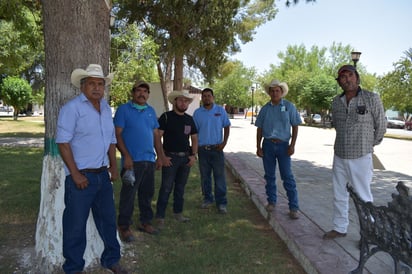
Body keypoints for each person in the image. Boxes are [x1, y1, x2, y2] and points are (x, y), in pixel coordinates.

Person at [56, 64, 128, 273]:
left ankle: (111, 260)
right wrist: (76, 174)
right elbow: (63, 142)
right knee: (75, 226)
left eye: (100, 84)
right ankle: (73, 268)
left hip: (102, 176)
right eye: (92, 84)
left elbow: (111, 139)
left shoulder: (106, 108)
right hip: (81, 179)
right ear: (82, 86)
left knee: (107, 221)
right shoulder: (72, 109)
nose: (96, 88)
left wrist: (114, 166)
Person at [323, 65, 386, 239]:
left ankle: (369, 234)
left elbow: (381, 126)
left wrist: (369, 145)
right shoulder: (336, 101)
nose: (347, 79)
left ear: (357, 78)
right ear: (339, 82)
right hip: (340, 154)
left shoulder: (372, 98)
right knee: (339, 194)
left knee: (363, 196)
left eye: (350, 75)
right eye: (343, 77)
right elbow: (336, 124)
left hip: (361, 156)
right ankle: (339, 227)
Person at [114, 81, 162, 240]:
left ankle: (145, 222)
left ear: (148, 94)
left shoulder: (151, 111)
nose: (142, 94)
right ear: (133, 93)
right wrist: (126, 156)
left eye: (145, 91)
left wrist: (160, 156)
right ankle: (124, 226)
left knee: (147, 194)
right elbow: (117, 135)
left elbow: (156, 135)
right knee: (129, 195)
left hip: (149, 160)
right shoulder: (123, 110)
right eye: (139, 91)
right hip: (132, 162)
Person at [255, 79, 302, 220]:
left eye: (277, 91)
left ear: (281, 92)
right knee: (269, 176)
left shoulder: (289, 107)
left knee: (287, 176)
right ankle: (271, 201)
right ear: (269, 93)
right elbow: (260, 128)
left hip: (283, 146)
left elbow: (295, 126)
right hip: (268, 145)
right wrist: (258, 146)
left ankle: (293, 207)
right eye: (272, 91)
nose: (275, 93)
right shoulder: (265, 109)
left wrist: (292, 145)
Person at [154, 90, 198, 228]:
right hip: (170, 158)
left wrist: (193, 156)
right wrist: (161, 157)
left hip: (185, 158)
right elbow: (157, 137)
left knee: (180, 188)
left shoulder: (189, 119)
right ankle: (160, 216)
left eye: (186, 101)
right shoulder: (166, 117)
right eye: (180, 100)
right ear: (174, 102)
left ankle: (178, 213)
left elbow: (195, 138)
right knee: (166, 188)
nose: (183, 103)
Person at [193, 88, 231, 214]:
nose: (206, 98)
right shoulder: (197, 113)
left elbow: (226, 126)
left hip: (217, 149)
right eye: (204, 96)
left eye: (209, 96)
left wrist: (224, 143)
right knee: (205, 177)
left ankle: (221, 203)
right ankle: (208, 199)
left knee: (219, 177)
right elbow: (194, 133)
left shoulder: (220, 111)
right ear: (202, 98)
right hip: (203, 149)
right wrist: (195, 149)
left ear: (213, 97)